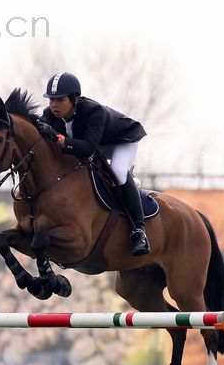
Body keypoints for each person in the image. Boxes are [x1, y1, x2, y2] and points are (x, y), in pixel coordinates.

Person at [37, 72, 151, 256]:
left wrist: (58, 138)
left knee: (118, 172)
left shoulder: (93, 111)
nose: (54, 105)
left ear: (74, 99)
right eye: (51, 100)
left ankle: (139, 231)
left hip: (121, 140)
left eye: (60, 100)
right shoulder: (49, 114)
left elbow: (88, 148)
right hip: (96, 144)